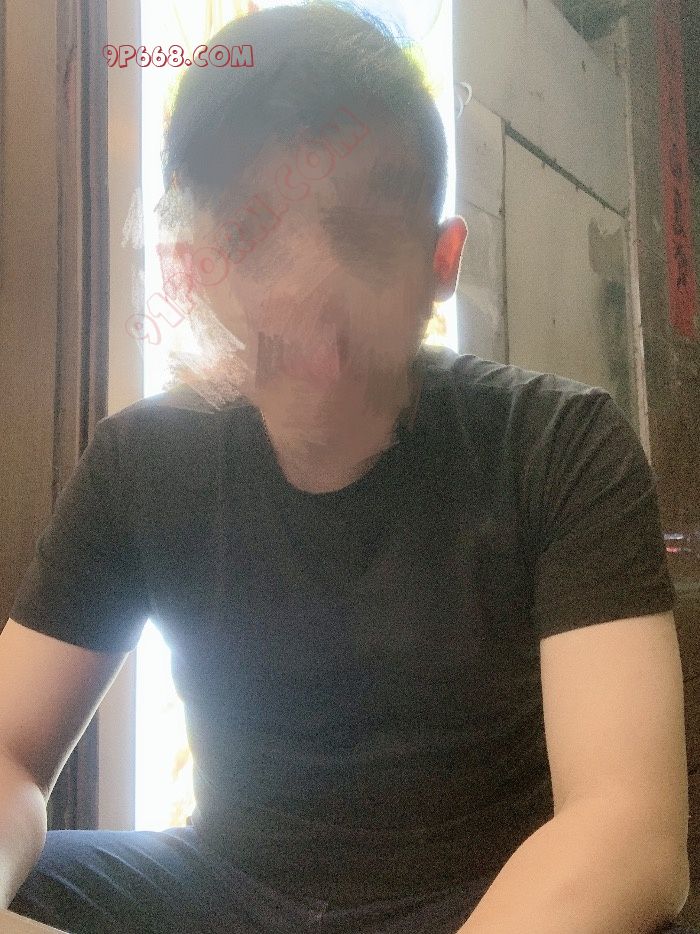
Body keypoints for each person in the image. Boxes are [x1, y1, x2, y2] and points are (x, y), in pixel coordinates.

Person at [0, 2, 696, 933]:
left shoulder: (559, 444)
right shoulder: (141, 463)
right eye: (254, 235)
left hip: (488, 896)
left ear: (441, 260)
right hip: (222, 891)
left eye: (362, 236)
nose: (307, 290)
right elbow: (9, 754)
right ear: (199, 266)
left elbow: (627, 828)